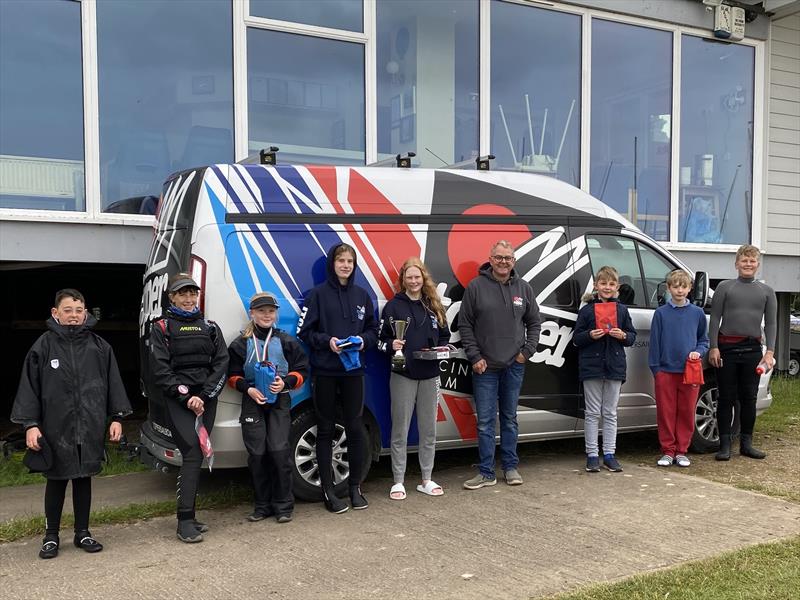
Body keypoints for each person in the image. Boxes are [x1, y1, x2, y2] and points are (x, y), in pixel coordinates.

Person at [11, 288, 131, 559]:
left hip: (89, 424)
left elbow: (113, 383)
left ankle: (83, 533)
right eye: (68, 311)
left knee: (83, 478)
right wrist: (31, 424)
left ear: (85, 312)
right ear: (55, 313)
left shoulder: (100, 347)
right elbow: (29, 387)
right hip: (55, 427)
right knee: (56, 479)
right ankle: (51, 536)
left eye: (79, 311)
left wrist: (117, 417)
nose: (74, 316)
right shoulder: (42, 346)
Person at [297, 243, 379, 513]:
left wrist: (361, 341)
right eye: (341, 260)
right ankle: (329, 492)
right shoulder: (317, 295)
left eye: (350, 261)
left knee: (355, 428)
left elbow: (372, 331)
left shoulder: (362, 295)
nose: (345, 265)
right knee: (325, 429)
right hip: (325, 372)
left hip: (354, 371)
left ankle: (355, 488)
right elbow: (305, 333)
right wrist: (327, 341)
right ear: (332, 264)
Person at [148, 273, 228, 542]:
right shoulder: (161, 328)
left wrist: (204, 396)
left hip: (206, 399)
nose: (188, 298)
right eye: (182, 293)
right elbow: (160, 369)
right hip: (179, 402)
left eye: (192, 293)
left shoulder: (211, 327)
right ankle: (184, 521)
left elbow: (221, 364)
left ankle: (191, 517)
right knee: (192, 452)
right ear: (171, 297)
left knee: (198, 454)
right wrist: (186, 397)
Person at [459, 240, 541, 489]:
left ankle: (510, 467)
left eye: (508, 258)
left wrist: (526, 352)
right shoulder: (475, 287)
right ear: (490, 259)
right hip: (485, 368)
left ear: (514, 261)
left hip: (513, 366)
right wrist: (475, 357)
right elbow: (465, 325)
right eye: (499, 257)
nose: (503, 262)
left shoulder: (523, 289)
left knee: (509, 419)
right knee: (485, 422)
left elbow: (535, 323)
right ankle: (485, 472)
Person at [227, 292, 309, 523]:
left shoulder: (286, 341)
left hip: (279, 400)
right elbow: (231, 375)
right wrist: (248, 389)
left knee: (279, 452)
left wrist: (286, 382)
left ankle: (283, 505)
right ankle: (262, 505)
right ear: (252, 313)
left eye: (270, 311)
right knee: (257, 454)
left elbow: (302, 370)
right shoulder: (240, 343)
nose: (266, 315)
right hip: (252, 401)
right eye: (261, 311)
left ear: (276, 314)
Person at [379, 258, 450, 500]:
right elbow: (380, 340)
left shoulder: (433, 305)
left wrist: (441, 350)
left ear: (423, 278)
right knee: (400, 428)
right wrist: (391, 344)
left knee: (428, 430)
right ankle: (398, 481)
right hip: (402, 373)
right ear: (403, 280)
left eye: (417, 277)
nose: (413, 281)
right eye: (409, 277)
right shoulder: (392, 307)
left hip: (430, 375)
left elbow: (445, 336)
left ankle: (426, 479)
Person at [708, 245, 777, 461]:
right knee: (726, 397)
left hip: (752, 349)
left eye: (752, 261)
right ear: (736, 263)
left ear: (758, 264)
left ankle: (746, 443)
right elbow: (714, 318)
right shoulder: (724, 287)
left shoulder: (767, 292)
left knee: (749, 397)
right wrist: (713, 346)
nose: (748, 264)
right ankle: (725, 444)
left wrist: (770, 352)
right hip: (726, 348)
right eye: (744, 260)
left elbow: (772, 323)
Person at [573, 266, 637, 473]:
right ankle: (592, 455)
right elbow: (576, 339)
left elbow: (632, 336)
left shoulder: (622, 310)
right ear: (596, 286)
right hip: (591, 366)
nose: (607, 287)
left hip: (615, 366)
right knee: (592, 412)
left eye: (611, 284)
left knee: (610, 413)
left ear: (617, 287)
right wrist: (590, 335)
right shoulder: (586, 310)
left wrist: (623, 336)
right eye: (603, 283)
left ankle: (609, 454)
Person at [648, 269, 709, 468]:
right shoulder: (661, 313)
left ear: (690, 288)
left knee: (686, 411)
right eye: (675, 286)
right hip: (665, 371)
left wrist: (698, 352)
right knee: (665, 412)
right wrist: (656, 370)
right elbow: (654, 343)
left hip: (689, 372)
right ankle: (668, 450)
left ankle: (682, 450)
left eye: (684, 286)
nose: (679, 290)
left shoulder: (698, 313)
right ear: (669, 288)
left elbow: (704, 340)